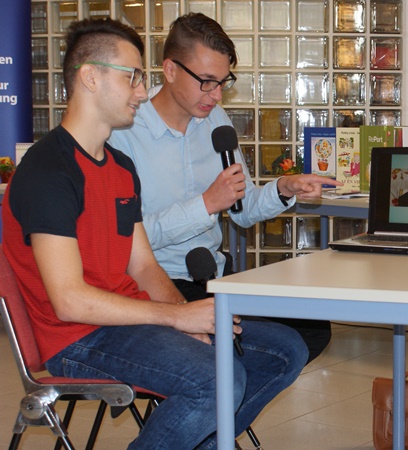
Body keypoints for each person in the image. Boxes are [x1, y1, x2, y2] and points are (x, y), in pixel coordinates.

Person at [2, 18, 308, 449]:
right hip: (77, 336)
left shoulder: (119, 167)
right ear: (90, 77)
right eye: (132, 78)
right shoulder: (48, 170)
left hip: (127, 318)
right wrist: (176, 318)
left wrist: (187, 316)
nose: (142, 93)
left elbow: (144, 266)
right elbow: (70, 301)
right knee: (216, 379)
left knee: (285, 350)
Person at [107, 13, 338, 363]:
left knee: (312, 328)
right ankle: (217, 389)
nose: (216, 95)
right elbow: (126, 242)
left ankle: (226, 394)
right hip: (154, 284)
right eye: (206, 82)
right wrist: (205, 205)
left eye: (223, 82)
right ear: (170, 70)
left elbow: (242, 210)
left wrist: (285, 188)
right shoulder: (125, 132)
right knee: (266, 346)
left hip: (213, 276)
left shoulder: (215, 119)